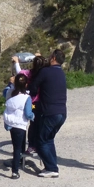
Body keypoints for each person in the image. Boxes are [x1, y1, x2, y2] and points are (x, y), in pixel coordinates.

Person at [29, 49, 67, 178]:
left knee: (40, 142)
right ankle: (51, 165)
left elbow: (33, 87)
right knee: (49, 140)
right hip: (62, 113)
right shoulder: (61, 73)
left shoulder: (45, 72)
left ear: (54, 58)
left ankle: (51, 168)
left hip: (49, 113)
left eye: (51, 55)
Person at [2, 74, 34, 179]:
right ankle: (15, 171)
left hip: (11, 124)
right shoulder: (26, 97)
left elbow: (4, 92)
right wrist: (33, 116)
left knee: (16, 145)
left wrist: (10, 84)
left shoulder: (10, 93)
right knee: (18, 149)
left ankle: (19, 162)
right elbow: (28, 113)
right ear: (26, 84)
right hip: (20, 125)